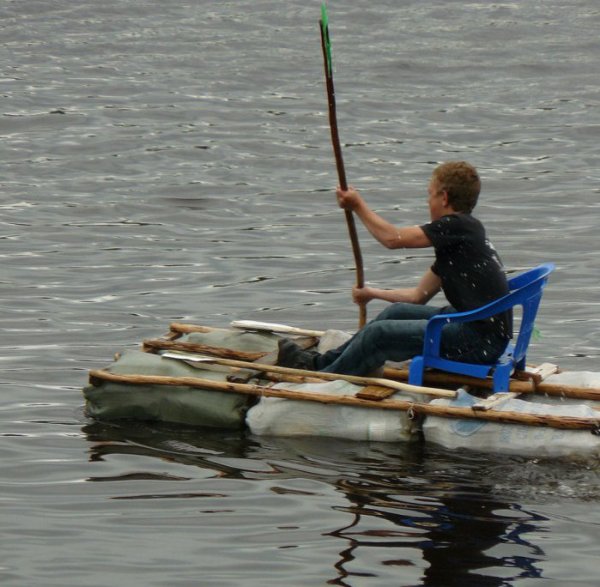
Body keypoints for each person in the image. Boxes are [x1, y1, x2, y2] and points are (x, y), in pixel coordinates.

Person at [277, 161, 512, 376]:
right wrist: (371, 293)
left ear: (444, 198)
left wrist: (357, 205)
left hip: (479, 342)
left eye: (429, 195)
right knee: (395, 312)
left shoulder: (457, 226)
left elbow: (393, 239)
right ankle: (318, 363)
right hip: (476, 329)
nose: (427, 202)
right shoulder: (461, 239)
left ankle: (323, 377)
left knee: (378, 335)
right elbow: (417, 296)